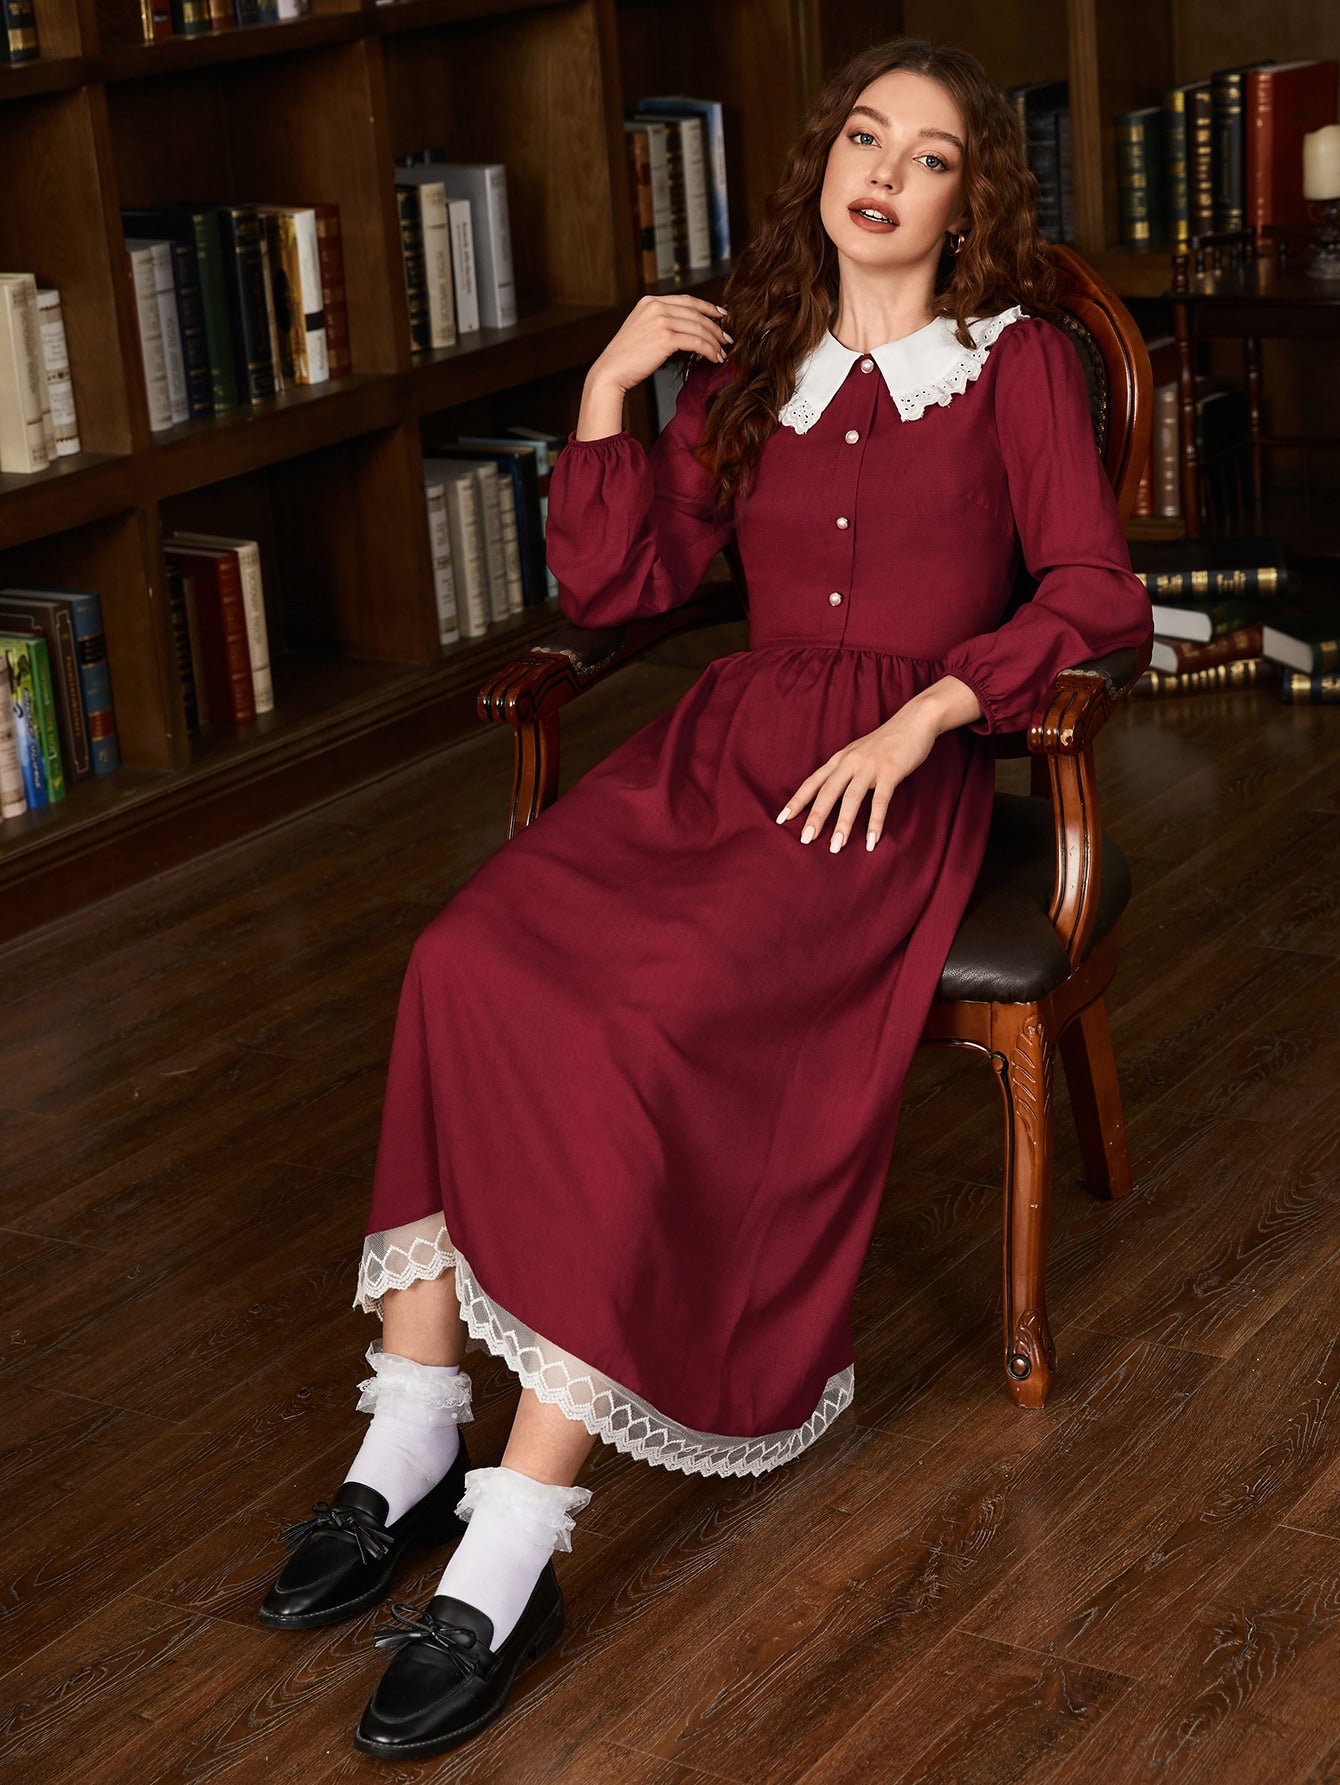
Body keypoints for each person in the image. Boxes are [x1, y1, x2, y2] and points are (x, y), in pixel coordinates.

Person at [259, 35, 1152, 1761]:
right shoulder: (754, 361)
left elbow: (1096, 591)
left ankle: (516, 1539)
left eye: (931, 157)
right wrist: (610, 385)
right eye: (865, 137)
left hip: (878, 790)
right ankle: (413, 1426)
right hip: (715, 755)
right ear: (825, 163)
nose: (884, 172)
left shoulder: (1019, 362)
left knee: (639, 1024)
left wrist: (933, 710)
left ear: (969, 204)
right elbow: (621, 582)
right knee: (463, 952)